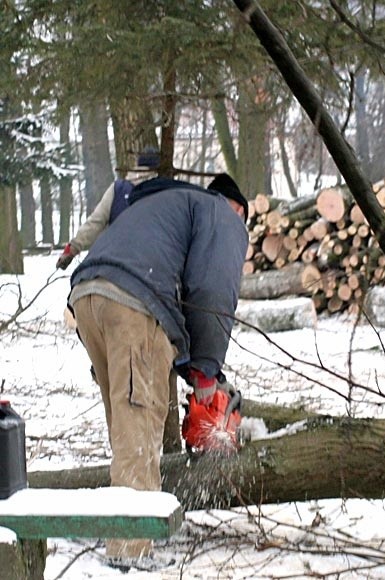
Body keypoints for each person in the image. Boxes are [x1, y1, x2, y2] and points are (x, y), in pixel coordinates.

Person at [67, 172, 249, 564]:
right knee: (137, 431)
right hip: (133, 300)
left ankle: (150, 518)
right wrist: (205, 372)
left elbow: (175, 298)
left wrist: (187, 364)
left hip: (86, 296)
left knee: (128, 424)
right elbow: (212, 289)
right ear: (237, 208)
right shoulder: (221, 212)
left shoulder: (163, 205)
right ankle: (129, 553)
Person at [56, 147, 161, 270]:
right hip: (151, 258)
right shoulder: (164, 190)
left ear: (137, 164)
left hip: (116, 254)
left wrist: (72, 249)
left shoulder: (118, 189)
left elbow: (95, 222)